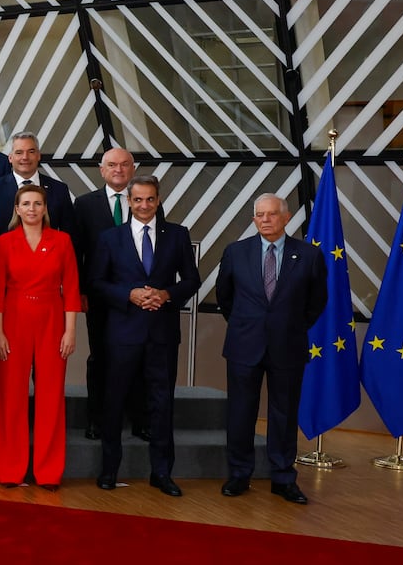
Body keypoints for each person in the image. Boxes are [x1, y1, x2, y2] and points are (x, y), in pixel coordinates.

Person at [89, 176, 200, 496]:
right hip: (122, 334)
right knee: (114, 403)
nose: (144, 205)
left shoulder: (177, 235)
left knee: (162, 404)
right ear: (129, 201)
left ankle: (162, 473)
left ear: (158, 199)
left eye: (150, 199)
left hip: (162, 334)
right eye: (137, 200)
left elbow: (192, 279)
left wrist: (167, 294)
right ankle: (109, 470)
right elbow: (96, 282)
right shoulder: (110, 238)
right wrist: (130, 294)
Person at [216, 193, 327, 505]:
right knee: (240, 413)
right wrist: (246, 324)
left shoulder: (309, 255)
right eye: (259, 215)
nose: (265, 219)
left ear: (286, 217)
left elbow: (316, 302)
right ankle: (239, 474)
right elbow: (225, 296)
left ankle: (282, 477)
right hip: (243, 345)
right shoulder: (236, 252)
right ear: (254, 219)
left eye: (272, 214)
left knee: (284, 413)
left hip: (288, 345)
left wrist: (288, 325)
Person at [0, 130, 73, 441]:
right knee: (2, 376)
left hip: (47, 305)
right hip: (7, 297)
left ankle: (42, 442)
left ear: (38, 155)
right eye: (19, 152)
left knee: (47, 385)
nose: (25, 157)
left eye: (31, 151)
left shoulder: (59, 191)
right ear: (10, 157)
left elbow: (71, 242)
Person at [0, 183, 81, 489]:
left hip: (52, 321)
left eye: (37, 204)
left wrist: (70, 331)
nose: (31, 209)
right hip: (13, 322)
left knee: (51, 397)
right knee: (11, 398)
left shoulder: (62, 241)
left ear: (45, 208)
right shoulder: (4, 242)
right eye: (26, 203)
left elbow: (70, 290)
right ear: (17, 209)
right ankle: (11, 469)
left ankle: (48, 471)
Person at [72, 148, 151, 441]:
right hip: (100, 297)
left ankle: (139, 420)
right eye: (112, 165)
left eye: (125, 164)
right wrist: (79, 291)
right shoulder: (84, 205)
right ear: (102, 170)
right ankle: (98, 419)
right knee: (102, 358)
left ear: (133, 169)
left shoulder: (146, 203)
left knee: (140, 359)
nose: (119, 169)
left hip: (140, 299)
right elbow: (76, 252)